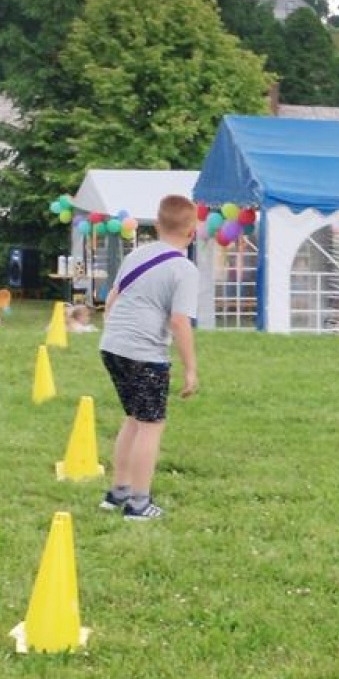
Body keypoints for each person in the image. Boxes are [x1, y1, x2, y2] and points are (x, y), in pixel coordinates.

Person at [98, 193, 200, 521]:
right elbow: (179, 322)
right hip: (144, 352)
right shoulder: (184, 269)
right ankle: (139, 504)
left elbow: (112, 299)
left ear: (157, 225)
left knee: (133, 418)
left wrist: (116, 332)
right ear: (192, 230)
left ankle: (118, 492)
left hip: (112, 346)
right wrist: (190, 369)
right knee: (151, 425)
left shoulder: (136, 255)